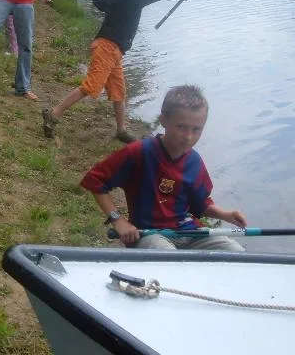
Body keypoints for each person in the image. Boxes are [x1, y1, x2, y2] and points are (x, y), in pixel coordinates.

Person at [42, 0, 203, 143]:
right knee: (91, 86)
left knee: (119, 91)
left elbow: (98, 2)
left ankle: (121, 130)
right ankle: (53, 114)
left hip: (114, 50)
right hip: (107, 49)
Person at [80, 84, 246, 251]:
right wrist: (118, 220)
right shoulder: (139, 152)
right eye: (181, 127)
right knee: (168, 256)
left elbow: (201, 203)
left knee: (235, 252)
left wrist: (225, 215)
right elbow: (95, 180)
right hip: (149, 234)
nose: (189, 137)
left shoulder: (194, 161)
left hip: (189, 232)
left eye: (196, 129)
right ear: (163, 120)